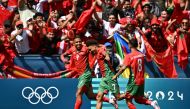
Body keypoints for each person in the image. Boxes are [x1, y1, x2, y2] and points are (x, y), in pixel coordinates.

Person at [61, 36, 118, 109]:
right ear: (74, 43)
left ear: (82, 42)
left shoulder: (86, 48)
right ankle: (111, 100)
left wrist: (104, 50)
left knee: (78, 93)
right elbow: (63, 55)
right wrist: (63, 59)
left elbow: (96, 47)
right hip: (81, 75)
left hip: (86, 74)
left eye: (79, 42)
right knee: (90, 96)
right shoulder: (72, 49)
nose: (78, 43)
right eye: (76, 42)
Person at [112, 38, 160, 109]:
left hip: (134, 80)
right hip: (141, 80)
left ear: (130, 45)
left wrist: (116, 75)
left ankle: (114, 99)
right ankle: (152, 102)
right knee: (138, 99)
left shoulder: (129, 56)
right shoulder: (141, 55)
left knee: (128, 100)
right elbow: (135, 65)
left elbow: (123, 68)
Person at [86, 39, 126, 109]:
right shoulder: (98, 50)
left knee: (118, 97)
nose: (90, 51)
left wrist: (107, 56)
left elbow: (105, 53)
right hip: (104, 78)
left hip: (110, 76)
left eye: (90, 49)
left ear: (94, 46)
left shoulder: (100, 50)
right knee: (99, 97)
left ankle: (136, 93)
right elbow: (102, 46)